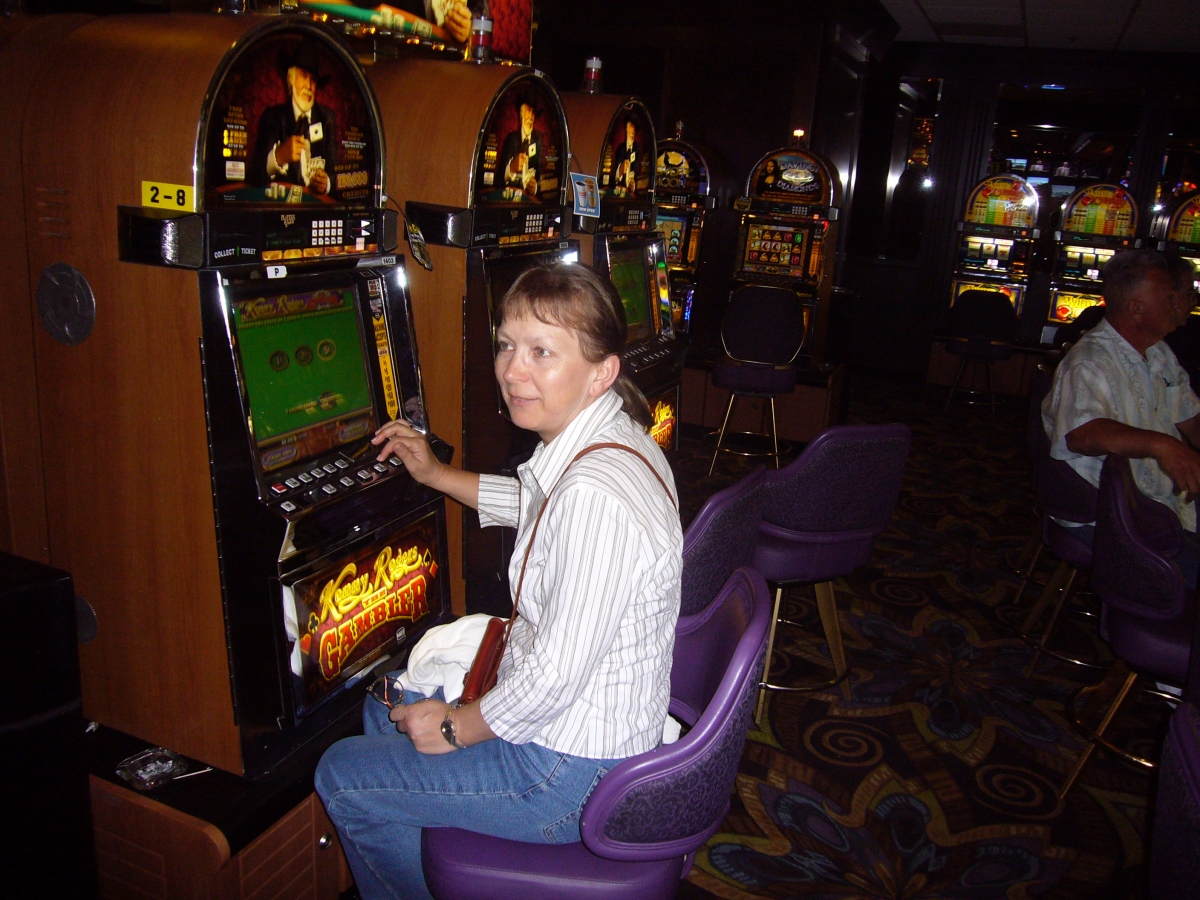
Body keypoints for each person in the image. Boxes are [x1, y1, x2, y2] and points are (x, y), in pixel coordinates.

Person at [315, 264, 683, 900]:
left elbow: (554, 678)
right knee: (386, 707)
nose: (513, 371)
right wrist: (436, 475)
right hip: (580, 736)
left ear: (601, 372)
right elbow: (536, 504)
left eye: (542, 352)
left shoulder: (596, 496)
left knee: (341, 773)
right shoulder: (615, 438)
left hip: (569, 775)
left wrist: (455, 728)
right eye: (507, 345)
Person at [1042, 249, 1200, 577]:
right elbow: (1082, 434)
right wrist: (1163, 445)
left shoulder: (1159, 352)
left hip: (1160, 502)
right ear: (1137, 309)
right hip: (1109, 515)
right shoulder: (1091, 361)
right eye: (1170, 296)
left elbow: (1191, 420)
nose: (1180, 303)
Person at [250, 37, 336, 196]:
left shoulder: (326, 118)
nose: (309, 86)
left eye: (313, 80)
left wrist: (327, 184)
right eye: (303, 76)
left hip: (317, 208)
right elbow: (253, 176)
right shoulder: (273, 117)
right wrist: (278, 158)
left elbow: (335, 174)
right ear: (291, 78)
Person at [499, 97, 546, 199]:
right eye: (529, 111)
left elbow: (542, 175)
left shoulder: (539, 140)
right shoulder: (511, 138)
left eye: (533, 113)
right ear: (522, 113)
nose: (531, 117)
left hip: (530, 202)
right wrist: (511, 168)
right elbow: (498, 177)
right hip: (510, 199)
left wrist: (535, 187)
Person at [611, 119, 641, 196]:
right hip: (619, 193)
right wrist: (620, 171)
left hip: (632, 196)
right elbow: (612, 177)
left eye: (633, 132)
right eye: (629, 132)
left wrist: (633, 186)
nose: (632, 134)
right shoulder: (620, 149)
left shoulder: (637, 149)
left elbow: (640, 173)